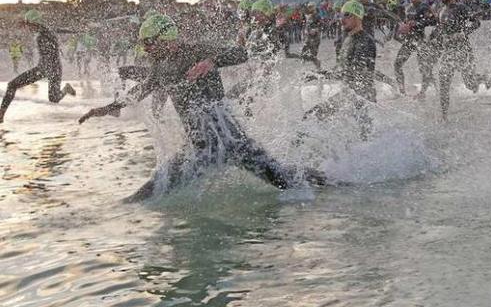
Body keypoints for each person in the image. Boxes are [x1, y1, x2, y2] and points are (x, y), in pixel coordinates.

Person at [78, 13, 324, 201]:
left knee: (290, 184)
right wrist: (106, 108)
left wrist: (212, 61)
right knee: (146, 195)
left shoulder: (196, 51)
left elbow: (241, 54)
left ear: (165, 38)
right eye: (143, 43)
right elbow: (139, 91)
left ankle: (335, 183)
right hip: (199, 149)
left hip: (231, 141)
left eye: (149, 43)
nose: (145, 48)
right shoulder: (161, 66)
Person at [302, 0, 376, 140]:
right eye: (341, 15)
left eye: (347, 15)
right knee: (312, 117)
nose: (342, 19)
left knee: (364, 141)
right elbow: (341, 68)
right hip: (350, 94)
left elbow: (355, 73)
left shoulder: (365, 41)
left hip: (361, 98)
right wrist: (318, 74)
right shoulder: (349, 39)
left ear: (358, 16)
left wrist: (320, 74)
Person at [0, 10, 76, 123]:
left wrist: (74, 31)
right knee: (12, 85)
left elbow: (53, 34)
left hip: (52, 69)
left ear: (34, 22)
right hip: (45, 68)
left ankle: (66, 89)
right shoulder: (43, 31)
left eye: (29, 24)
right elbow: (57, 30)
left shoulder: (44, 33)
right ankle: (1, 115)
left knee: (54, 98)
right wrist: (25, 23)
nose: (28, 28)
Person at [434, 0, 491, 120]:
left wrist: (463, 33)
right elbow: (440, 31)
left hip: (463, 49)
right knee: (443, 82)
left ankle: (484, 77)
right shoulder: (441, 11)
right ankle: (444, 116)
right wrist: (435, 41)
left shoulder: (461, 8)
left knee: (470, 84)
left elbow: (476, 23)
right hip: (448, 52)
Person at [394, 0, 438, 95]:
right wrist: (402, 28)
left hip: (420, 40)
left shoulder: (424, 6)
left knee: (424, 68)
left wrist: (417, 24)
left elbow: (434, 21)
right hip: (409, 41)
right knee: (397, 64)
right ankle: (402, 91)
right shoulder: (408, 8)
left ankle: (424, 92)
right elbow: (406, 22)